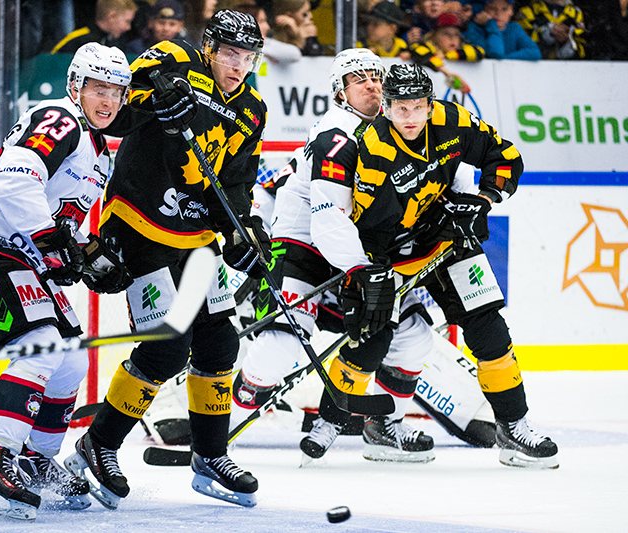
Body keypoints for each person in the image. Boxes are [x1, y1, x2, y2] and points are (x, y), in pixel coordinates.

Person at [300, 63, 559, 470]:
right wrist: (361, 271)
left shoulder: (452, 120)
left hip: (441, 237)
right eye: (400, 108)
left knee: (488, 328)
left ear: (429, 103)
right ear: (385, 107)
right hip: (379, 252)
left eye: (417, 106)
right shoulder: (360, 147)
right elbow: (333, 217)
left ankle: (514, 425)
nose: (410, 116)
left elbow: (504, 155)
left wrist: (484, 200)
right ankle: (331, 421)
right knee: (369, 337)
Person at [62, 9, 268, 509]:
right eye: (230, 54)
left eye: (248, 57)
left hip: (196, 234)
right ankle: (99, 444)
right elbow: (117, 115)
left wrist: (246, 230)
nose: (238, 65)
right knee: (167, 348)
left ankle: (211, 455)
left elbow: (236, 181)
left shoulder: (254, 108)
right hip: (138, 222)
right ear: (210, 47)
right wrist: (156, 97)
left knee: (220, 341)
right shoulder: (173, 57)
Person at [0, 43, 134, 520]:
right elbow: (13, 182)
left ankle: (33, 460)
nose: (107, 101)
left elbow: (69, 223)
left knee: (71, 359)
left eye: (117, 92)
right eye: (98, 88)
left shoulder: (97, 150)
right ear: (75, 86)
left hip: (14, 249)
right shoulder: (60, 119)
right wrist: (53, 243)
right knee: (43, 343)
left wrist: (89, 257)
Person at [232, 48, 438, 463]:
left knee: (415, 336)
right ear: (339, 92)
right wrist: (363, 272)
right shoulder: (337, 134)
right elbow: (328, 219)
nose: (372, 84)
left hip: (357, 253)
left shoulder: (394, 127)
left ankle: (383, 426)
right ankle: (217, 428)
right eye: (358, 78)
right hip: (303, 246)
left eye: (376, 76)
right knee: (279, 349)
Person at [225, 0, 303, 64]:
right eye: (262, 21)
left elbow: (295, 54)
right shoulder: (226, 48)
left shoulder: (265, 44)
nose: (267, 27)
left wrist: (260, 50)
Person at [51, 0, 137, 55]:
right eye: (127, 21)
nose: (128, 28)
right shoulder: (79, 39)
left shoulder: (117, 42)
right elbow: (51, 61)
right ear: (111, 16)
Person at [465, 0, 541, 59]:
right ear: (484, 10)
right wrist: (491, 24)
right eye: (492, 8)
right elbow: (496, 52)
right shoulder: (474, 29)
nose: (498, 13)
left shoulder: (514, 28)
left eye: (504, 9)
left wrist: (504, 59)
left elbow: (535, 52)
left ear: (511, 11)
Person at [409, 12, 485, 68]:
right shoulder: (427, 48)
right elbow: (417, 52)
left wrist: (448, 56)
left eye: (456, 34)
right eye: (446, 34)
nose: (452, 38)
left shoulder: (463, 48)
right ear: (434, 36)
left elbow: (480, 52)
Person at [516, 0, 586, 59]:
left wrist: (566, 42)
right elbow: (517, 46)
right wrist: (543, 34)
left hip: (568, 71)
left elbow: (587, 53)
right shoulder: (527, 11)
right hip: (532, 69)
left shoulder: (576, 14)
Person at [125, 0, 192, 56]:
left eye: (172, 24)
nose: (166, 29)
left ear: (181, 26)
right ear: (150, 22)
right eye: (161, 23)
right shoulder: (136, 48)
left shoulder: (189, 50)